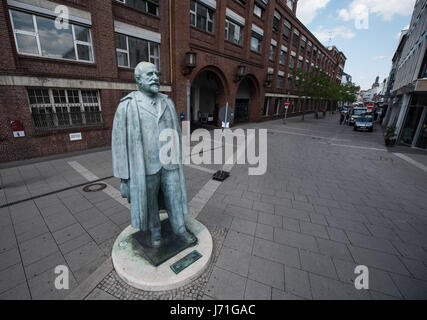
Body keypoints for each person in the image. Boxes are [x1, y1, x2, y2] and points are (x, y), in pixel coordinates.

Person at [111, 62, 196, 248]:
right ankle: (155, 232)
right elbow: (118, 144)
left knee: (175, 197)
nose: (155, 78)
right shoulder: (128, 106)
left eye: (156, 74)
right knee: (150, 204)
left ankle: (180, 230)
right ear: (138, 79)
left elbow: (175, 132)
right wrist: (124, 179)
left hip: (169, 163)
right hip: (145, 167)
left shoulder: (167, 102)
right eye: (149, 75)